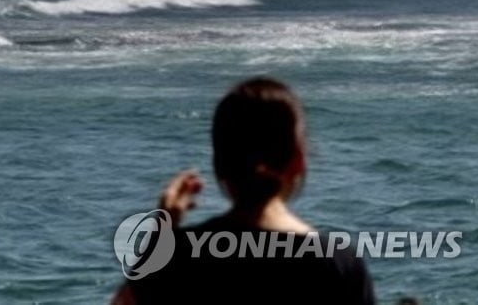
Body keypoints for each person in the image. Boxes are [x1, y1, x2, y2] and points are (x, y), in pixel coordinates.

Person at [112, 77, 375, 304]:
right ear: (298, 160)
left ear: (219, 165)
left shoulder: (178, 254)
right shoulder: (338, 262)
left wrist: (164, 228)